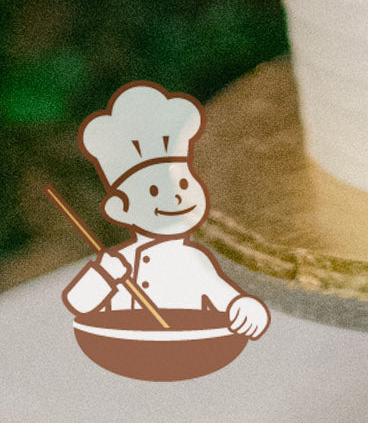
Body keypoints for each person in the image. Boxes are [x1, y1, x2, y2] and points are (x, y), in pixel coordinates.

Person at [61, 81, 269, 339]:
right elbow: (78, 303)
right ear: (121, 210)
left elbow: (228, 298)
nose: (174, 196)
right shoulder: (120, 262)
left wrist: (245, 308)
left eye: (182, 184)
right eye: (152, 191)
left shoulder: (197, 258)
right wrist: (104, 274)